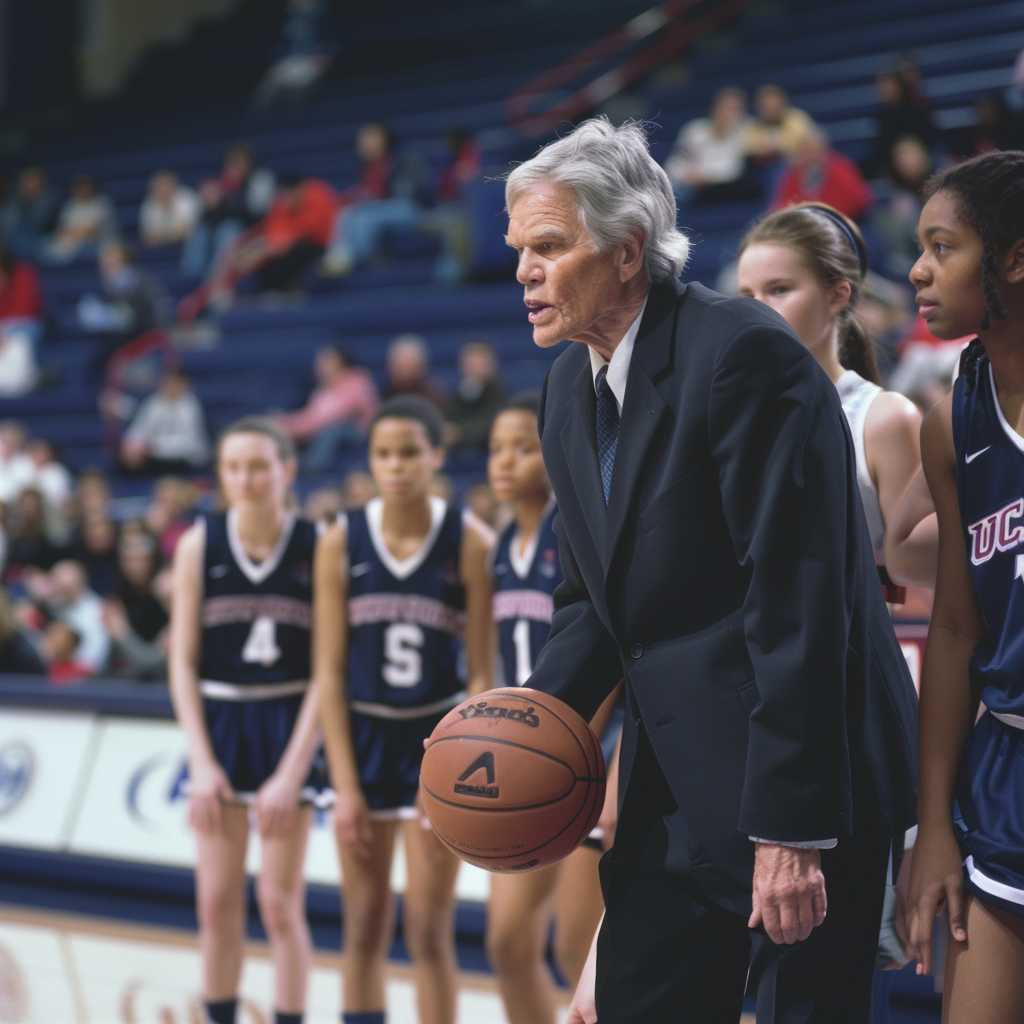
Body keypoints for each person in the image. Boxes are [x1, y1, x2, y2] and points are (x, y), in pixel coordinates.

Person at [500, 117, 918, 1023]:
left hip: (803, 775)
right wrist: (515, 732)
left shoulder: (741, 356)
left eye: (548, 247)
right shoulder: (568, 384)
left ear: (626, 252)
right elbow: (589, 606)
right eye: (518, 249)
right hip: (673, 773)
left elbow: (800, 602)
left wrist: (792, 831)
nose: (524, 271)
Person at [313, 396, 493, 1024]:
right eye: (384, 454)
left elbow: (479, 670)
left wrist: (455, 759)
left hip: (434, 744)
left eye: (410, 453)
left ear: (436, 456)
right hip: (362, 740)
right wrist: (342, 784)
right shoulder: (340, 540)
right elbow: (328, 673)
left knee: (427, 928)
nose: (396, 467)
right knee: (363, 925)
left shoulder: (469, 539)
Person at [905, 151, 1024, 1021]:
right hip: (1007, 765)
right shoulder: (954, 421)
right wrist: (933, 825)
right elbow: (952, 630)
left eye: (942, 246)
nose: (918, 269)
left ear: (1013, 258)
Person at [169, 417, 323, 1024]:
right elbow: (180, 664)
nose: (246, 479)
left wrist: (291, 773)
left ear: (287, 470)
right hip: (221, 723)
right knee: (215, 902)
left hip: (290, 723)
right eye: (233, 467)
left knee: (280, 904)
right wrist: (202, 762)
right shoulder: (197, 543)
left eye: (259, 466)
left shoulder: (318, 545)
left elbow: (325, 671)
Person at [485, 393, 619, 1023]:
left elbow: (607, 654)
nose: (506, 461)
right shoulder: (500, 542)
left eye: (521, 445)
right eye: (495, 448)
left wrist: (559, 756)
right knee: (508, 944)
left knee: (576, 949)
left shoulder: (578, 525)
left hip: (578, 757)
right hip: (517, 756)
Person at [737, 202, 937, 590]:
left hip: (858, 644)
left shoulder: (885, 418)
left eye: (779, 290)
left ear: (838, 294)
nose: (757, 311)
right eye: (747, 295)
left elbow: (920, 584)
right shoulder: (727, 416)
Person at [276, 345, 379, 472]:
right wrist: (284, 422)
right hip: (322, 429)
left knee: (333, 430)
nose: (320, 366)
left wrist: (293, 428)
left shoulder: (357, 380)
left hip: (360, 432)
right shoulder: (322, 390)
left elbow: (332, 417)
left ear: (339, 362)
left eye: (326, 361)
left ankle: (312, 466)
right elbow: (310, 416)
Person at [665, 87, 755, 206]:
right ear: (715, 108)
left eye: (734, 110)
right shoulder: (694, 129)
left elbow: (732, 170)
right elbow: (675, 162)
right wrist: (683, 175)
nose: (728, 114)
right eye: (725, 108)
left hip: (717, 188)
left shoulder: (745, 132)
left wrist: (704, 176)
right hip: (686, 183)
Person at [773, 125, 874, 221]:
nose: (808, 153)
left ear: (822, 148)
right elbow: (782, 205)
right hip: (803, 227)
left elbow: (859, 199)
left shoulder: (840, 167)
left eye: (812, 148)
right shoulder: (793, 173)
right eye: (804, 149)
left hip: (841, 223)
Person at [120, 369, 210, 475]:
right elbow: (138, 429)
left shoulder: (191, 406)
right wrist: (132, 444)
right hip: (157, 457)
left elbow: (189, 443)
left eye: (174, 383)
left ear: (184, 385)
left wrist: (153, 446)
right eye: (167, 383)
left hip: (187, 458)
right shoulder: (153, 403)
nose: (170, 387)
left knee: (170, 464)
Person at [140, 170, 199, 248]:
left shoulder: (187, 197)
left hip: (189, 244)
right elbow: (148, 237)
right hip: (160, 248)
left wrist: (163, 235)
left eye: (165, 185)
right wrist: (173, 234)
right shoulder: (148, 205)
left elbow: (190, 230)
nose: (163, 190)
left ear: (174, 186)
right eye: (159, 187)